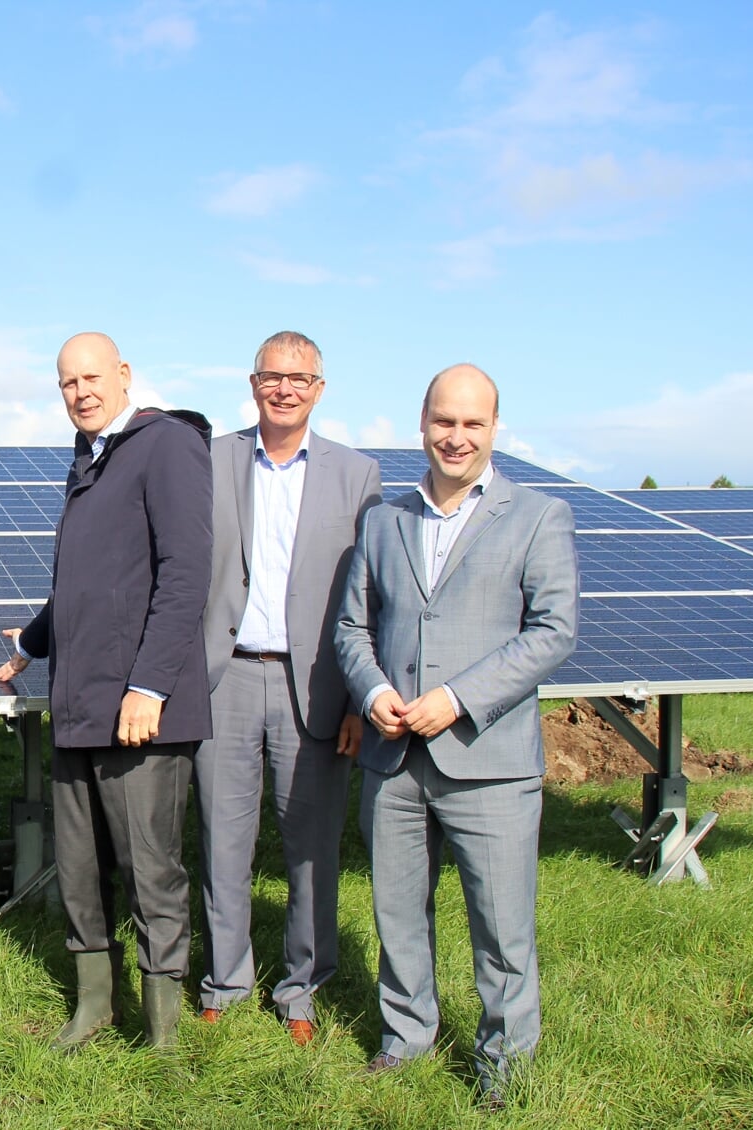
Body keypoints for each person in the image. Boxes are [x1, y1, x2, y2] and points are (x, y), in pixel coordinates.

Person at [332, 364, 578, 1109]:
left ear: (494, 429)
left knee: (502, 929)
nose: (457, 437)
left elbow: (555, 631)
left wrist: (457, 699)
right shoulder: (384, 521)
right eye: (445, 422)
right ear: (422, 424)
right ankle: (406, 1042)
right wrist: (373, 691)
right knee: (398, 915)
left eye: (472, 424)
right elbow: (352, 627)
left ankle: (505, 1067)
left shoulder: (538, 516)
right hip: (394, 757)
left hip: (489, 760)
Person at [0, 332, 211, 1049]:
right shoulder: (88, 461)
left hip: (140, 712)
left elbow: (184, 575)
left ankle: (164, 1031)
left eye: (91, 378)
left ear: (123, 376)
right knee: (80, 867)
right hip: (79, 705)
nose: (80, 392)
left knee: (151, 869)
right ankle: (92, 1007)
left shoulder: (165, 443)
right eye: (66, 384)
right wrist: (31, 643)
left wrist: (149, 685)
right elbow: (85, 587)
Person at [193, 331, 381, 1039]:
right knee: (222, 841)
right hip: (227, 677)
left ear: (319, 390)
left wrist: (361, 698)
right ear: (252, 383)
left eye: (299, 378)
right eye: (273, 376)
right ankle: (225, 982)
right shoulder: (212, 460)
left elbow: (367, 595)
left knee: (311, 851)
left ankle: (301, 991)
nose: (285, 388)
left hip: (317, 687)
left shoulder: (356, 476)